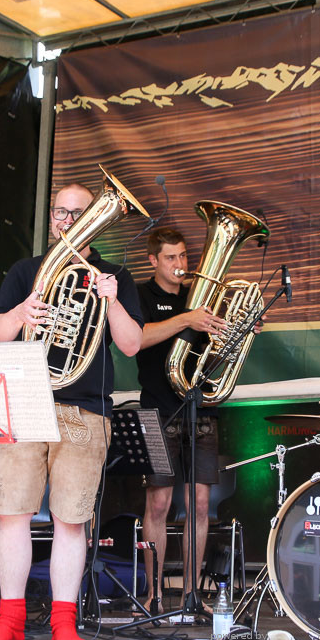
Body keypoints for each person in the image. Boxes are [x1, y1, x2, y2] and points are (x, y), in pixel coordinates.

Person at [0, 182, 144, 640]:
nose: (67, 221)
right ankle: (9, 620)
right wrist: (19, 312)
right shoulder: (27, 271)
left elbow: (132, 345)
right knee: (12, 514)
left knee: (70, 521)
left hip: (85, 409)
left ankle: (63, 622)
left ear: (96, 219)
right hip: (29, 401)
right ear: (51, 218)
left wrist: (110, 298)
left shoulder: (115, 275)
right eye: (61, 213)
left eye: (79, 213)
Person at [134, 227, 227, 614]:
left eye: (184, 256)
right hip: (157, 410)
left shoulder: (200, 297)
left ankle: (191, 595)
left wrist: (238, 331)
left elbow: (220, 349)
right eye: (171, 258)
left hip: (200, 409)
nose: (180, 265)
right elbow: (136, 339)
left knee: (200, 505)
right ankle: (153, 595)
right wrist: (187, 318)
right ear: (153, 261)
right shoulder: (140, 294)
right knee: (159, 504)